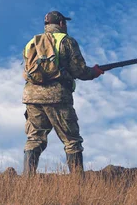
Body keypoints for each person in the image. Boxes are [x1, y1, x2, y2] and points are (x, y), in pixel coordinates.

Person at [21, 11, 104, 176]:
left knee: (34, 139)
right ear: (60, 24)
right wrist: (95, 72)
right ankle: (78, 184)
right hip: (57, 96)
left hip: (32, 96)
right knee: (71, 140)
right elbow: (79, 70)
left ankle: (27, 180)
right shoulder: (66, 41)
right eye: (65, 23)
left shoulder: (31, 43)